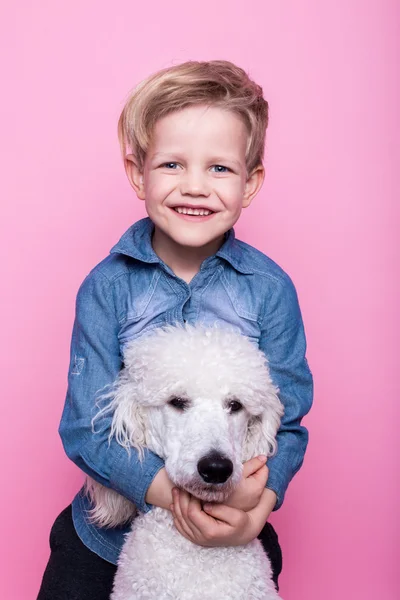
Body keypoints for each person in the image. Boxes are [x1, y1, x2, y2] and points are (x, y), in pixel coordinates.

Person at [37, 60, 313, 599]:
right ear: (137, 172)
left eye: (219, 169)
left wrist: (258, 507)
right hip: (104, 543)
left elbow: (288, 420)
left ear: (251, 182)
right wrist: (171, 495)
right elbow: (85, 427)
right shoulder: (107, 287)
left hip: (232, 535)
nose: (194, 187)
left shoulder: (270, 289)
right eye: (171, 164)